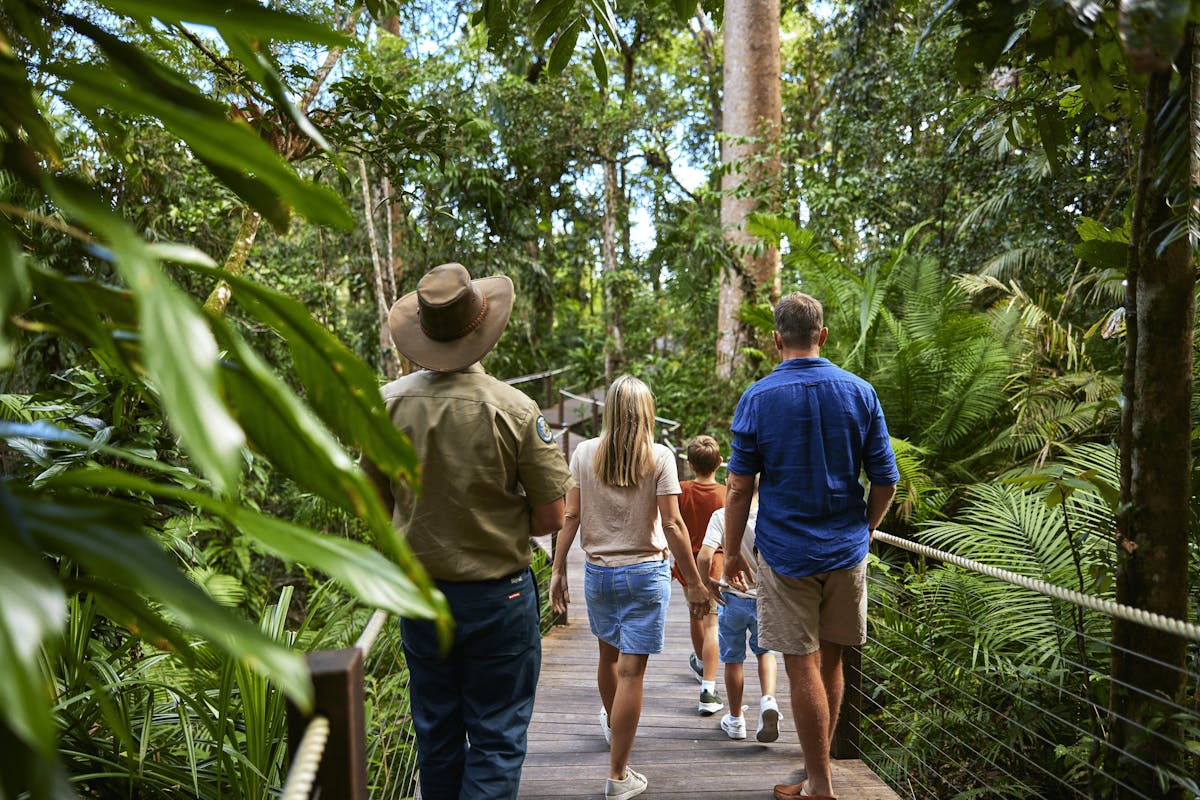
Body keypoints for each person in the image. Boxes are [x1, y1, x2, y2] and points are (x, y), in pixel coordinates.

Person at [362, 262, 573, 800]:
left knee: (435, 734)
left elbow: (370, 498)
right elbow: (551, 515)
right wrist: (496, 521)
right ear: (481, 331)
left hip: (420, 594)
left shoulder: (384, 405)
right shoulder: (518, 410)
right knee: (497, 738)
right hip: (497, 595)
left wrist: (414, 521)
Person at [723, 292, 898, 800]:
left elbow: (738, 487)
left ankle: (819, 783)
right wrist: (866, 527)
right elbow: (886, 478)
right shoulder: (860, 392)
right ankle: (814, 770)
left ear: (777, 339)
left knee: (801, 664)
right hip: (846, 551)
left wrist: (732, 551)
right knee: (832, 662)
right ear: (823, 336)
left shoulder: (758, 397)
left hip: (785, 556)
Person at [550, 375, 711, 800]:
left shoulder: (583, 452)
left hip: (599, 573)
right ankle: (618, 775)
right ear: (646, 412)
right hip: (644, 572)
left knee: (608, 659)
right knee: (632, 672)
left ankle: (612, 721)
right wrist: (694, 582)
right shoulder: (660, 456)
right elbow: (673, 524)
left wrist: (557, 570)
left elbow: (571, 517)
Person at [697, 484, 783, 743]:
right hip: (765, 599)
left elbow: (704, 557)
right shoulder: (774, 515)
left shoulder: (722, 516)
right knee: (765, 652)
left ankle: (735, 720)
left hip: (732, 598)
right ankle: (768, 700)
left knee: (733, 659)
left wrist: (707, 583)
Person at [674, 434, 726, 715]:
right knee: (713, 625)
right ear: (719, 463)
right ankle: (708, 687)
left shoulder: (681, 490)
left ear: (690, 464)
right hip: (715, 563)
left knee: (696, 614)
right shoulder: (726, 493)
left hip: (688, 565)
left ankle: (702, 662)